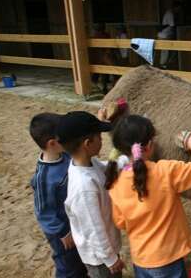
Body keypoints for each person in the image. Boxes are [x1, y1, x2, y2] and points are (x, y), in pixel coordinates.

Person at [105, 115, 191, 278]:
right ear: (148, 146)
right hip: (168, 258)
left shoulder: (115, 181)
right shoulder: (165, 171)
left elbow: (120, 222)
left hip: (140, 258)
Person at [57, 111, 124, 278]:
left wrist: (127, 160)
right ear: (88, 143)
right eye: (100, 137)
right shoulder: (84, 187)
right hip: (100, 258)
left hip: (106, 248)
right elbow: (94, 229)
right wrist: (110, 259)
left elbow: (107, 169)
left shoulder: (88, 163)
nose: (102, 140)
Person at [29, 113, 88, 278]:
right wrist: (62, 232)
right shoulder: (44, 177)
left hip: (75, 220)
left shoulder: (65, 155)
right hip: (62, 231)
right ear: (53, 143)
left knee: (81, 259)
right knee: (68, 265)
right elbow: (44, 212)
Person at [157, 0, 182, 69]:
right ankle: (162, 65)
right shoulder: (170, 14)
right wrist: (174, 35)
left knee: (166, 51)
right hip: (164, 35)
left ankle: (164, 64)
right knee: (165, 51)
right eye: (178, 8)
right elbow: (172, 26)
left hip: (165, 35)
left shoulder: (170, 12)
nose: (178, 10)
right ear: (175, 7)